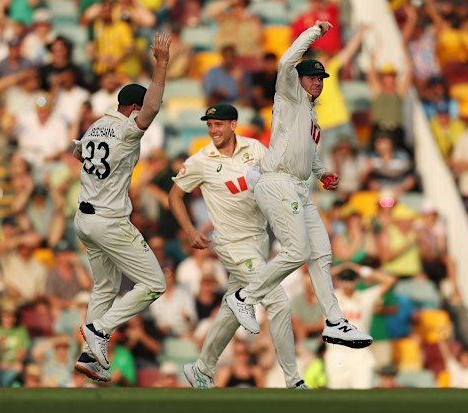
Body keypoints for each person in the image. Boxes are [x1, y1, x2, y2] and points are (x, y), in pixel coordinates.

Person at [224, 21, 373, 349]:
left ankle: (335, 321)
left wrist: (322, 173)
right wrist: (315, 33)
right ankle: (244, 296)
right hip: (277, 182)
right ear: (299, 79)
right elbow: (284, 62)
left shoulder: (311, 113)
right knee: (297, 251)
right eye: (312, 77)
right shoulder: (289, 94)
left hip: (299, 186)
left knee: (321, 254)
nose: (317, 82)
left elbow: (307, 152)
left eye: (320, 78)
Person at [168, 103, 307, 389]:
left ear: (233, 125)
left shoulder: (254, 149)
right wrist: (190, 230)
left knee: (232, 310)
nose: (213, 130)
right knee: (278, 302)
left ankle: (201, 368)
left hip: (259, 240)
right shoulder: (200, 160)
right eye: (209, 124)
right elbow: (174, 196)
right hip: (232, 244)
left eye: (218, 124)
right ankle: (293, 381)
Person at [72, 33, 172, 383]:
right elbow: (153, 107)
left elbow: (78, 152)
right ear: (132, 109)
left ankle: (91, 358)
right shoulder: (128, 130)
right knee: (154, 283)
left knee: (104, 287)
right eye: (140, 110)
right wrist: (160, 65)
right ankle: (99, 331)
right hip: (110, 221)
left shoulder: (95, 126)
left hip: (83, 219)